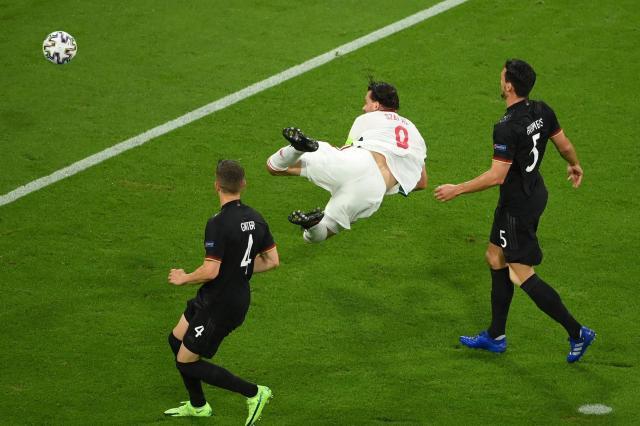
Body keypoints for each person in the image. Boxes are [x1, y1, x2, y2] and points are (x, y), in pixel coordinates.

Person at [434, 59, 595, 363]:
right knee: (494, 257)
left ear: (509, 86)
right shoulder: (542, 110)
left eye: (502, 77)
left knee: (520, 272)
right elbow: (564, 145)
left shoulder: (506, 127)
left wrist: (457, 189)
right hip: (533, 193)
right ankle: (496, 336)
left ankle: (577, 332)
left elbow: (497, 176)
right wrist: (574, 164)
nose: (500, 80)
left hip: (517, 207)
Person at [164, 160, 279, 424]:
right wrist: (239, 270)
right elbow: (272, 261)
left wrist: (184, 278)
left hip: (221, 304)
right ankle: (198, 406)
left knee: (186, 361)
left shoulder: (218, 223)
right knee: (176, 340)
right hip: (220, 296)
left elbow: (210, 271)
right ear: (243, 184)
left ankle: (254, 393)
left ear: (216, 185)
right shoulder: (256, 218)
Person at [266, 80, 428, 242]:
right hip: (375, 189)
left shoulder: (367, 119)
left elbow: (347, 149)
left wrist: (327, 155)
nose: (364, 108)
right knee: (324, 230)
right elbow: (421, 183)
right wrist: (391, 184)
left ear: (376, 106)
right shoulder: (416, 134)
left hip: (358, 161)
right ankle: (312, 224)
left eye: (366, 102)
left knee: (274, 167)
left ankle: (297, 149)